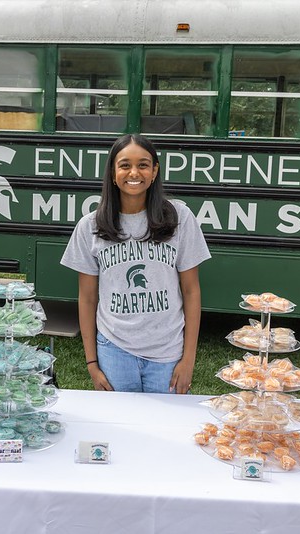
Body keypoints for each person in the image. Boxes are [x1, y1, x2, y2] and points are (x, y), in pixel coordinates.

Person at [61, 134, 211, 394]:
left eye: (143, 165)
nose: (134, 172)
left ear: (155, 171)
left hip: (167, 352)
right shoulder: (90, 226)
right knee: (120, 429)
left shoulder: (179, 218)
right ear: (112, 172)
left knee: (163, 427)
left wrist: (188, 360)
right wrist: (92, 363)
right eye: (124, 165)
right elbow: (86, 298)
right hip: (114, 350)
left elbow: (191, 290)